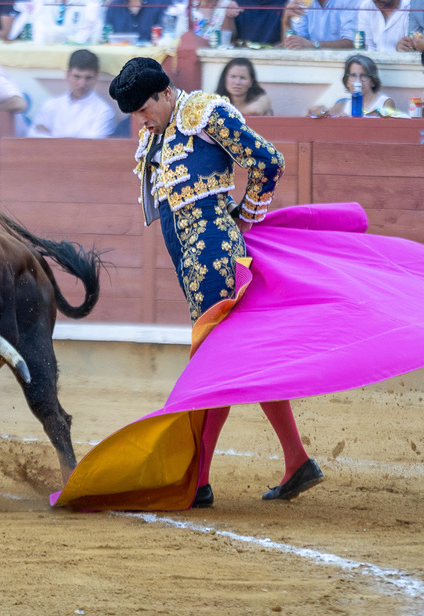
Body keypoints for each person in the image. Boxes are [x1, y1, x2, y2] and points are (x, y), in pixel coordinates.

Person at [107, 56, 320, 508]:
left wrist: (244, 219)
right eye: (135, 115)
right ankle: (296, 460)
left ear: (166, 93)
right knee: (236, 360)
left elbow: (268, 161)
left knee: (213, 363)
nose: (141, 121)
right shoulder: (157, 133)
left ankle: (198, 481)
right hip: (190, 258)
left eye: (145, 109)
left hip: (213, 253)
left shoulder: (205, 112)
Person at [28, 48, 114, 137]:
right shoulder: (51, 104)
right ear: (68, 75)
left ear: (96, 77)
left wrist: (50, 136)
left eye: (88, 78)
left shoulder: (103, 111)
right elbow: (33, 137)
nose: (82, 84)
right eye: (77, 77)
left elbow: (91, 148)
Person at [308, 52, 395, 116]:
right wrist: (317, 112)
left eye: (363, 76)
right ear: (347, 81)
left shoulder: (385, 103)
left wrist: (349, 122)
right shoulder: (342, 105)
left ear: (372, 81)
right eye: (353, 76)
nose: (358, 81)